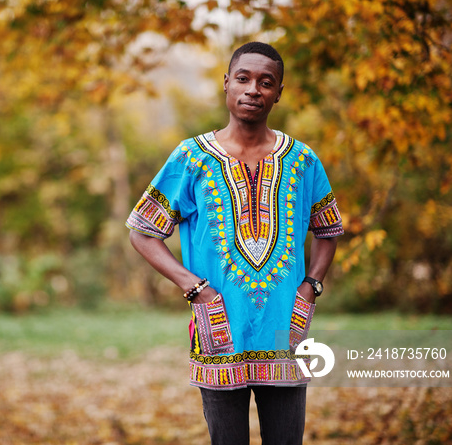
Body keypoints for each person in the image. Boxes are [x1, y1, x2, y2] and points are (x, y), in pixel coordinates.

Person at [126, 42, 344, 445]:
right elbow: (143, 230)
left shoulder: (303, 160)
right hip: (220, 329)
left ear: (278, 93)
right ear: (226, 84)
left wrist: (310, 286)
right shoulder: (192, 158)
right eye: (243, 78)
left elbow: (327, 230)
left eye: (266, 82)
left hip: (286, 332)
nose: (253, 90)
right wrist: (195, 288)